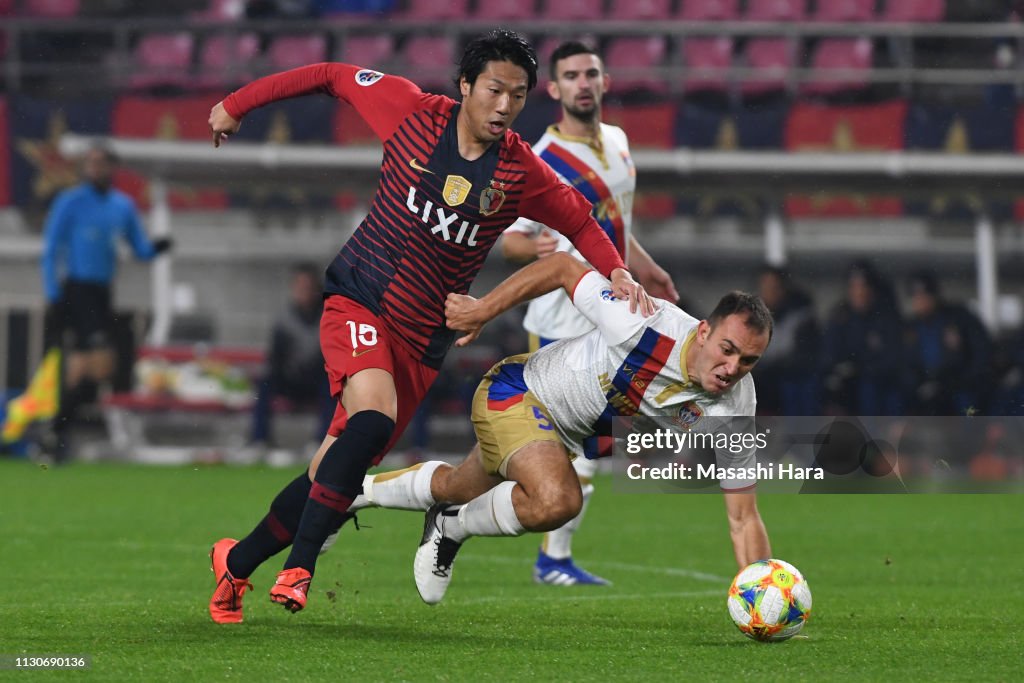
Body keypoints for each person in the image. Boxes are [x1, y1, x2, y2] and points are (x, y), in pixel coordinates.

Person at [206, 29, 653, 622]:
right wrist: (236, 104)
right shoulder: (411, 110)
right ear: (466, 86)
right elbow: (330, 74)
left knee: (331, 474)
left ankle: (235, 565)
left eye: (517, 96)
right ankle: (301, 569)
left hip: (422, 339)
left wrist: (617, 270)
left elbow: (579, 218)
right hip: (361, 297)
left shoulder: (519, 170)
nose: (504, 106)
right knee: (371, 419)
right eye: (494, 90)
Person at [345, 252, 772, 604]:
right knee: (559, 499)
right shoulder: (643, 323)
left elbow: (743, 516)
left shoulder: (736, 404)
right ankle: (451, 526)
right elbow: (562, 267)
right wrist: (483, 310)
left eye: (748, 361)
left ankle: (354, 491)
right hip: (518, 392)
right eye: (727, 350)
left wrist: (761, 593)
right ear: (703, 332)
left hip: (561, 436)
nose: (733, 368)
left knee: (457, 486)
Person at [500, 41, 680, 586]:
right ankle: (526, 547)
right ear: (553, 89)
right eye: (571, 75)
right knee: (565, 448)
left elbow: (614, 221)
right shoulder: (539, 157)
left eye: (591, 73)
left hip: (615, 312)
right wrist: (533, 249)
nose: (583, 83)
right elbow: (510, 239)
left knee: (590, 446)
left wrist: (644, 264)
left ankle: (551, 557)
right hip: (561, 321)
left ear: (604, 81)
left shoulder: (620, 143)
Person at [40, 142, 172, 462]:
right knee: (94, 364)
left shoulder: (122, 206)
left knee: (88, 368)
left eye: (102, 163)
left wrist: (158, 248)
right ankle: (57, 430)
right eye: (91, 163)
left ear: (112, 167)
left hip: (102, 293)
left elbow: (139, 248)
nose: (96, 168)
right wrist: (54, 294)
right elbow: (50, 250)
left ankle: (56, 432)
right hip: (76, 291)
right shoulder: (71, 202)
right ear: (85, 168)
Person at [249, 263, 334, 455]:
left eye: (307, 287)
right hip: (290, 379)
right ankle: (259, 441)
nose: (303, 292)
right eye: (299, 287)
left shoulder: (328, 317)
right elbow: (275, 357)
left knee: (332, 385)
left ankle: (321, 441)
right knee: (264, 382)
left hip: (318, 379)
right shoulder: (285, 320)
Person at [820, 260, 904, 416]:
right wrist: (839, 369)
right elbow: (828, 352)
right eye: (854, 287)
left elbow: (892, 360)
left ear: (872, 290)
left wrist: (862, 369)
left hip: (875, 380)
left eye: (863, 286)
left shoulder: (885, 317)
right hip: (846, 380)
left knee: (870, 389)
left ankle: (872, 436)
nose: (858, 292)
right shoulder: (840, 315)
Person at [904, 269, 992, 415]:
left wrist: (961, 380)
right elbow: (905, 364)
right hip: (926, 391)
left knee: (969, 412)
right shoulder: (911, 328)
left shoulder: (959, 318)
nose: (921, 301)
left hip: (961, 388)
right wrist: (919, 384)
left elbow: (982, 353)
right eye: (916, 297)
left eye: (925, 296)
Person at [755, 266, 820, 416]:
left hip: (793, 374)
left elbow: (806, 355)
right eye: (765, 287)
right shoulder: (752, 314)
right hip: (763, 375)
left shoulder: (801, 315)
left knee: (797, 388)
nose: (769, 292)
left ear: (783, 289)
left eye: (774, 287)